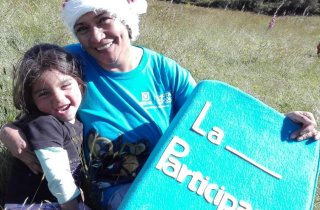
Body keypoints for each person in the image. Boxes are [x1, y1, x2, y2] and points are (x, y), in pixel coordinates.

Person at [0, 0, 319, 209]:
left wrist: (279, 125)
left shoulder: (166, 70)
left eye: (103, 20)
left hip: (174, 176)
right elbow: (40, 104)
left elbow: (216, 120)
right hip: (115, 188)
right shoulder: (74, 63)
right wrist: (9, 131)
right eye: (82, 28)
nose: (96, 37)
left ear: (125, 19)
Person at [3, 43, 88, 210]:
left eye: (65, 86)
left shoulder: (76, 120)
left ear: (79, 83)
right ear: (32, 100)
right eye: (43, 93)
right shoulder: (45, 123)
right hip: (35, 205)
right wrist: (72, 207)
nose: (58, 98)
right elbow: (58, 177)